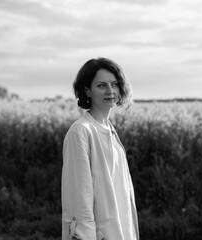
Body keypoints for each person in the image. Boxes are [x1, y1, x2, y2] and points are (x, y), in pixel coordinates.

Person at [61, 57, 139, 240]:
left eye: (114, 84)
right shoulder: (80, 132)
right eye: (102, 85)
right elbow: (79, 196)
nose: (110, 91)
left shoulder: (109, 129)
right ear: (87, 90)